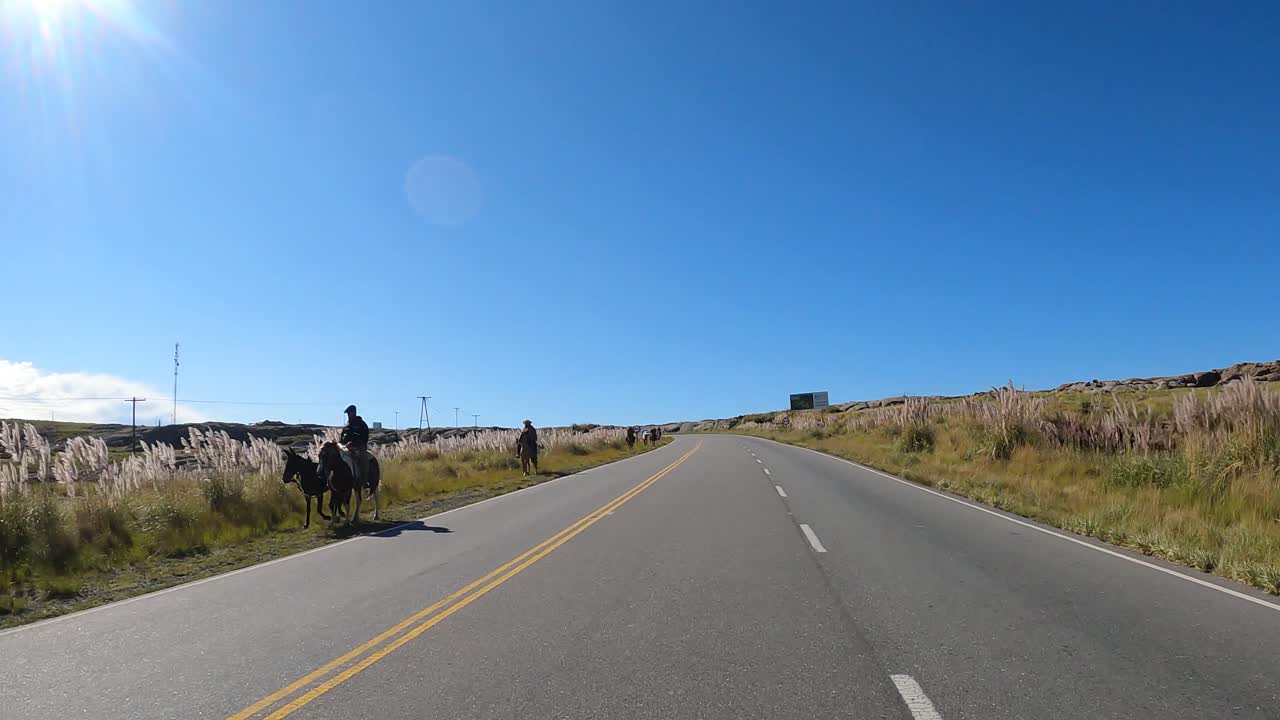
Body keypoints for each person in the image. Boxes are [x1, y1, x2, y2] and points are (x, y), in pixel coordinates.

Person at [340, 404, 370, 487]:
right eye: (348, 414)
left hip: (358, 448)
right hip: (345, 447)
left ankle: (365, 481)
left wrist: (354, 444)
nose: (349, 415)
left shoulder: (361, 424)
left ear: (354, 413)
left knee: (363, 459)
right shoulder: (346, 425)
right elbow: (342, 438)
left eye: (350, 413)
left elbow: (364, 438)